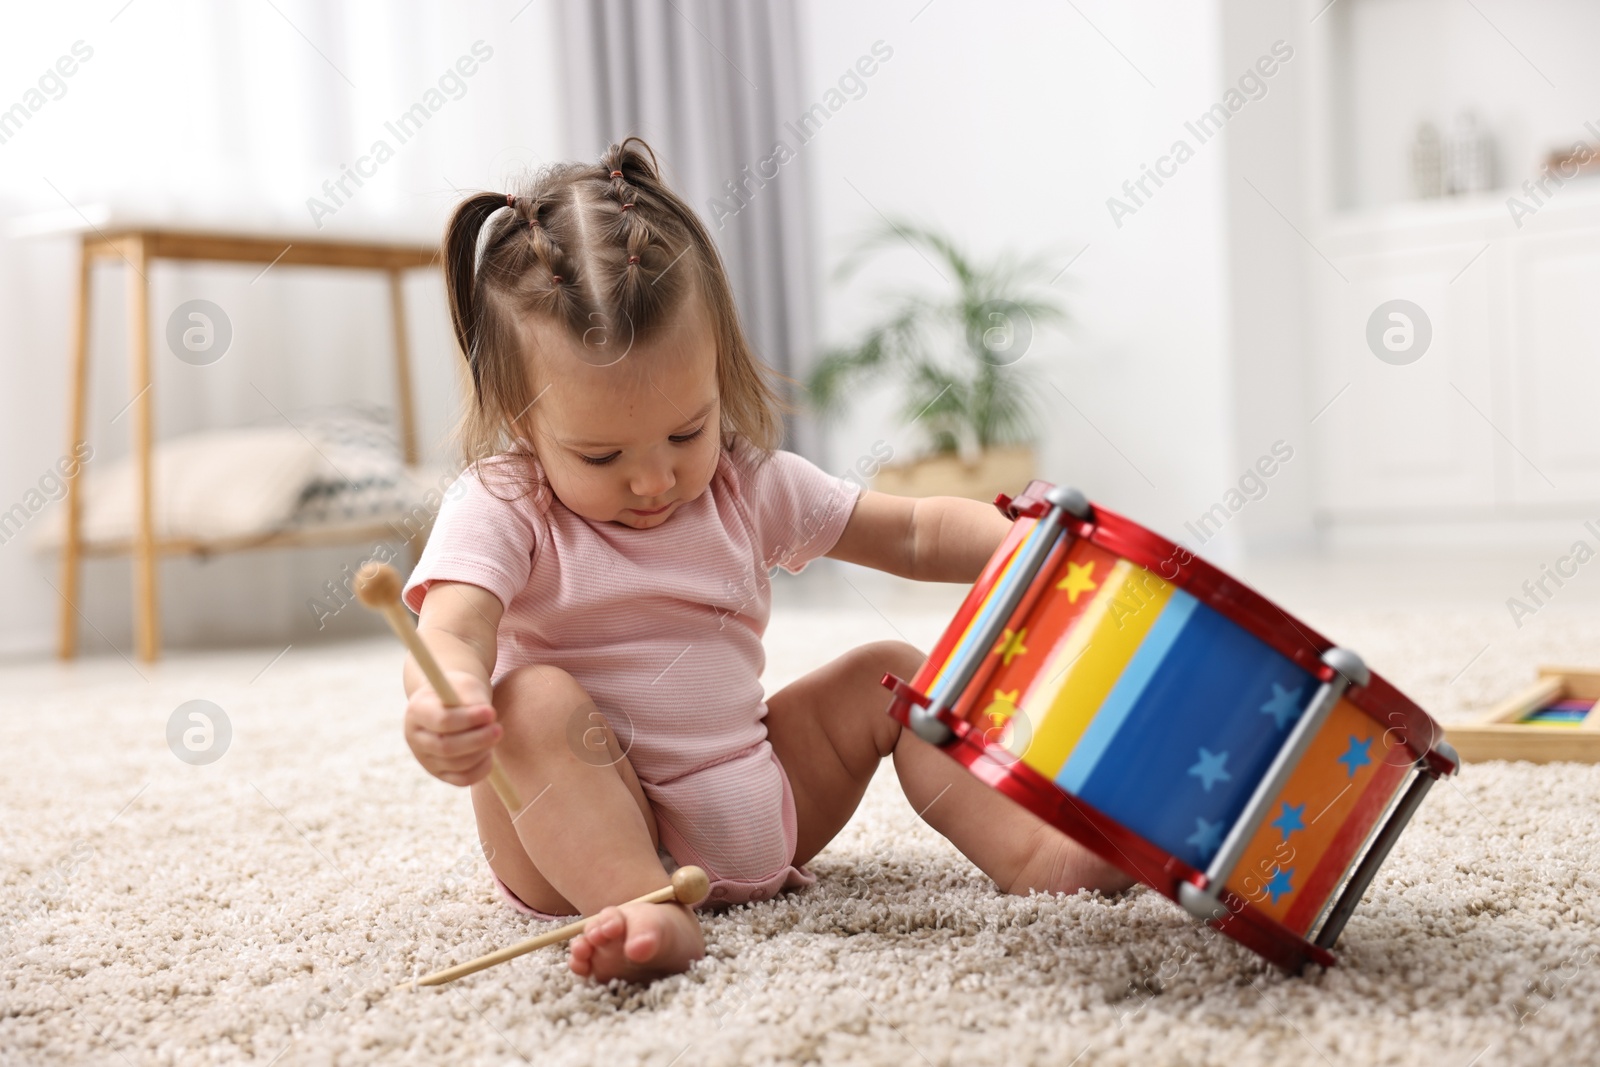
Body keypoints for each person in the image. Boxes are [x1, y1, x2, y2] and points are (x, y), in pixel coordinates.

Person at [399, 137, 1130, 985]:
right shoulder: (502, 503)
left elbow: (912, 531)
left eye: (686, 431)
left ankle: (1033, 850)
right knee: (527, 700)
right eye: (600, 456)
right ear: (522, 424)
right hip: (577, 836)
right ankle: (643, 908)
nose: (655, 477)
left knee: (889, 676)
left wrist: (1024, 547)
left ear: (720, 377)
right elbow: (453, 627)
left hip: (757, 805)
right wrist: (443, 697)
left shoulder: (743, 483)